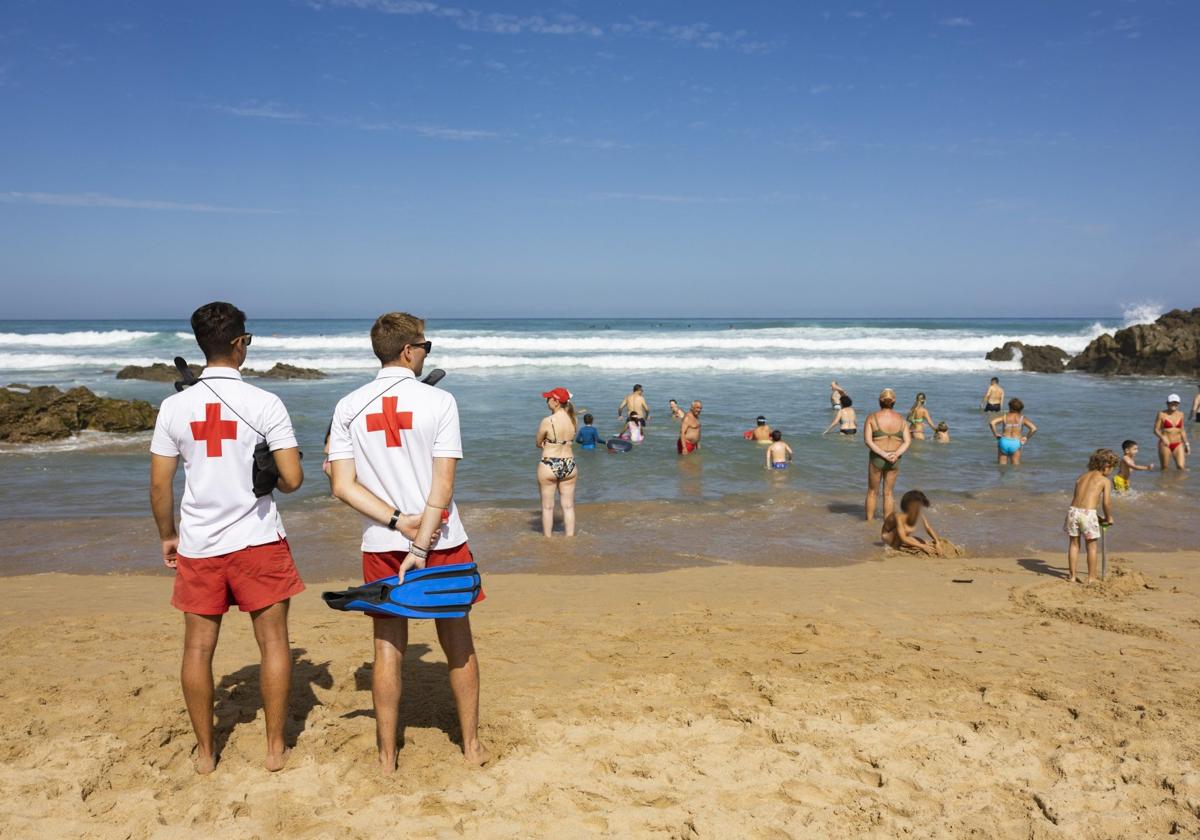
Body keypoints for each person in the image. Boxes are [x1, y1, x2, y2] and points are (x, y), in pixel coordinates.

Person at [327, 311, 488, 771]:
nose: (425, 353)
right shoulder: (439, 402)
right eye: (425, 347)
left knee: (386, 646)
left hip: (382, 542)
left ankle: (386, 756)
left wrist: (398, 522)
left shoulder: (348, 407)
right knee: (458, 641)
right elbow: (443, 485)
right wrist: (420, 542)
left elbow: (343, 485)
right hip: (441, 540)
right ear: (408, 350)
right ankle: (472, 747)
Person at [149, 301, 305, 775]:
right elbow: (293, 479)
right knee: (273, 642)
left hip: (199, 542)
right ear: (240, 344)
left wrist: (168, 535)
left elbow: (160, 485)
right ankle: (275, 747)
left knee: (197, 648)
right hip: (258, 538)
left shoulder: (175, 406)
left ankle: (205, 752)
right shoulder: (265, 403)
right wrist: (268, 473)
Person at [1064, 449, 1118, 584]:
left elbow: (1078, 498)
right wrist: (1108, 517)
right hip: (1088, 514)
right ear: (1106, 466)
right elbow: (1106, 503)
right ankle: (1091, 577)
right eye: (1112, 468)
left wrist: (1096, 517)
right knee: (1091, 547)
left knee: (1074, 544)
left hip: (1073, 511)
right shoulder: (1105, 481)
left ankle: (1072, 576)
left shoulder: (1081, 477)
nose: (1111, 471)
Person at [864, 388, 911, 521]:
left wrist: (883, 455)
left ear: (880, 401)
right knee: (888, 493)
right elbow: (907, 441)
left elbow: (868, 441)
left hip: (878, 457)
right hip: (895, 459)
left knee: (872, 492)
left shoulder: (872, 417)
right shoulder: (901, 419)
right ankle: (888, 525)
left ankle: (869, 523)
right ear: (894, 401)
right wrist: (895, 454)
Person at [536, 387, 578, 536]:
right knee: (568, 507)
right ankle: (570, 539)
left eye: (548, 398)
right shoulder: (573, 419)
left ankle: (547, 540)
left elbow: (537, 442)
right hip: (569, 464)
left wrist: (546, 443)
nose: (547, 401)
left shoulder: (548, 421)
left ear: (555, 402)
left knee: (548, 507)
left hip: (550, 463)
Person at [881, 490, 961, 557]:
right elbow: (903, 537)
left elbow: (928, 527)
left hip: (900, 536)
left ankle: (902, 545)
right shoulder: (898, 516)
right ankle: (895, 548)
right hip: (888, 537)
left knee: (923, 542)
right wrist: (922, 547)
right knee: (916, 540)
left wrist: (937, 542)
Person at [989, 398, 1037, 465]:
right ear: (1021, 409)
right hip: (1016, 442)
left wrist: (995, 434)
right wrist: (1026, 438)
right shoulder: (1022, 418)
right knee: (1016, 468)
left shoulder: (1005, 417)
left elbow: (992, 423)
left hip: (1004, 441)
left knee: (1002, 467)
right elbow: (1034, 428)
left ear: (1010, 407)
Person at [1154, 394, 1189, 470]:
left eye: (1176, 403)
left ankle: (1178, 482)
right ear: (1167, 403)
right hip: (1165, 444)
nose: (1174, 404)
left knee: (1181, 467)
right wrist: (1162, 437)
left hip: (1178, 443)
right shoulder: (1161, 414)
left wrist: (1186, 444)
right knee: (1165, 468)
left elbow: (1182, 430)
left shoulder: (1181, 414)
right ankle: (1165, 481)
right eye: (1172, 402)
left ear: (1178, 404)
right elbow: (1156, 430)